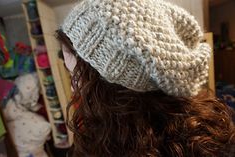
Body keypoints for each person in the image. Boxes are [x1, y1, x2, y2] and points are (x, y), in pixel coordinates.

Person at [56, 0, 235, 156]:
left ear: (114, 89)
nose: (73, 87)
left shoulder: (109, 140)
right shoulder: (103, 129)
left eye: (75, 75)